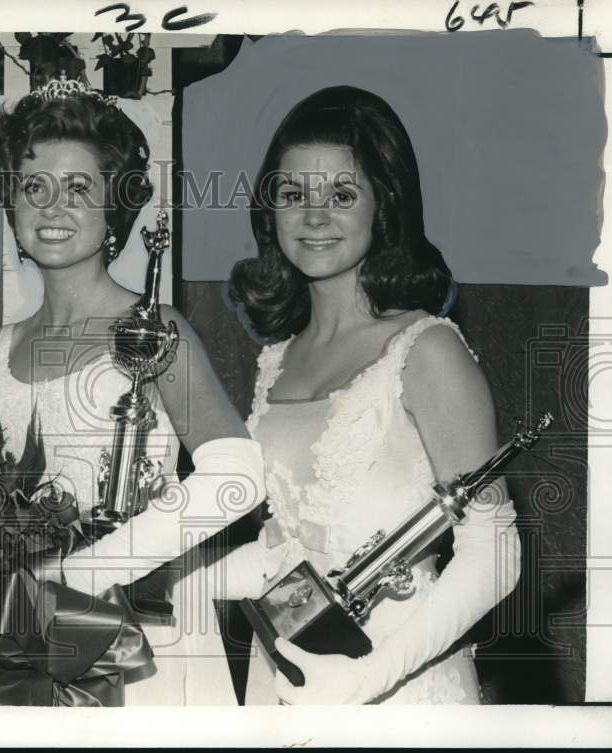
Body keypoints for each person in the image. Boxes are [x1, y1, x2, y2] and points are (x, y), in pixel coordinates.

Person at [212, 85, 521, 704]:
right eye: (294, 194)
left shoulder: (426, 349)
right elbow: (285, 543)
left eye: (342, 195)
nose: (314, 216)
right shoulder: (277, 358)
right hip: (287, 673)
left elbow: (496, 553)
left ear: (384, 207)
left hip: (397, 685)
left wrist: (366, 678)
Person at [0, 77, 265, 705]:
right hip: (16, 633)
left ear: (115, 207)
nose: (53, 208)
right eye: (34, 187)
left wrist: (81, 575)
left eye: (79, 187)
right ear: (11, 202)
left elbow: (237, 477)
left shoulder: (154, 329)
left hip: (139, 633)